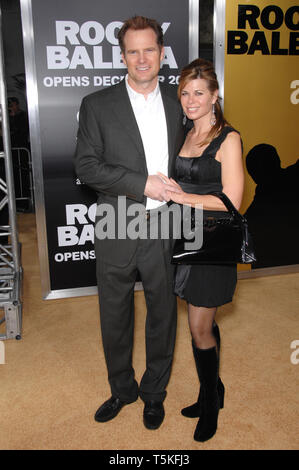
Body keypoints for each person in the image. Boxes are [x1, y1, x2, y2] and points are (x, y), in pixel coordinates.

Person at [74, 16, 184, 430]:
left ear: (161, 54)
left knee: (162, 312)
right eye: (133, 51)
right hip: (117, 221)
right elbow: (86, 166)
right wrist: (143, 184)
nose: (142, 59)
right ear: (122, 57)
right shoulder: (97, 104)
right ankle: (122, 389)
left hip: (166, 225)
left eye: (149, 50)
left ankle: (155, 392)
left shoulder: (180, 102)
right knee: (114, 313)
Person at [159, 58, 244, 442]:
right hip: (184, 239)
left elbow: (231, 201)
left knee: (197, 327)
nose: (190, 100)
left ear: (214, 97)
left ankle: (210, 402)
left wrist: (182, 196)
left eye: (199, 93)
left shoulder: (228, 138)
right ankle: (214, 388)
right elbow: (177, 179)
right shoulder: (183, 133)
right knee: (203, 324)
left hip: (211, 245)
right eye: (185, 93)